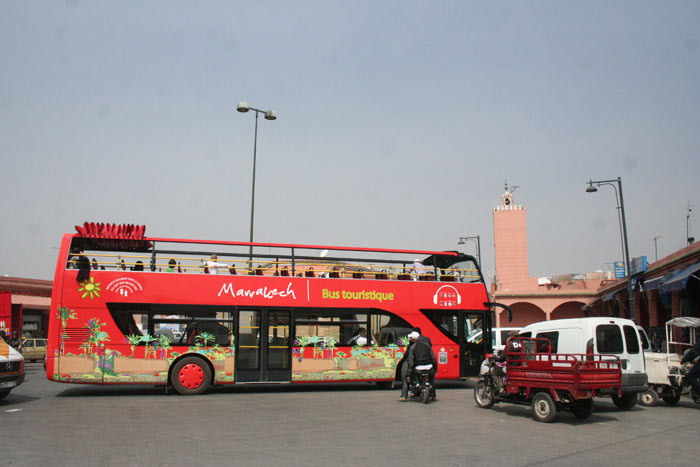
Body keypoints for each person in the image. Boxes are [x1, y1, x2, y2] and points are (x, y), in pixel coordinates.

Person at [400, 331, 437, 401]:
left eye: (411, 338)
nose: (410, 339)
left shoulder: (413, 347)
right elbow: (433, 357)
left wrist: (408, 374)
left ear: (414, 339)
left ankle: (416, 386)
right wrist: (435, 368)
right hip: (429, 367)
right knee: (431, 379)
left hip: (419, 367)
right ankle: (433, 394)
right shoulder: (427, 345)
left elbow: (411, 362)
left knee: (412, 376)